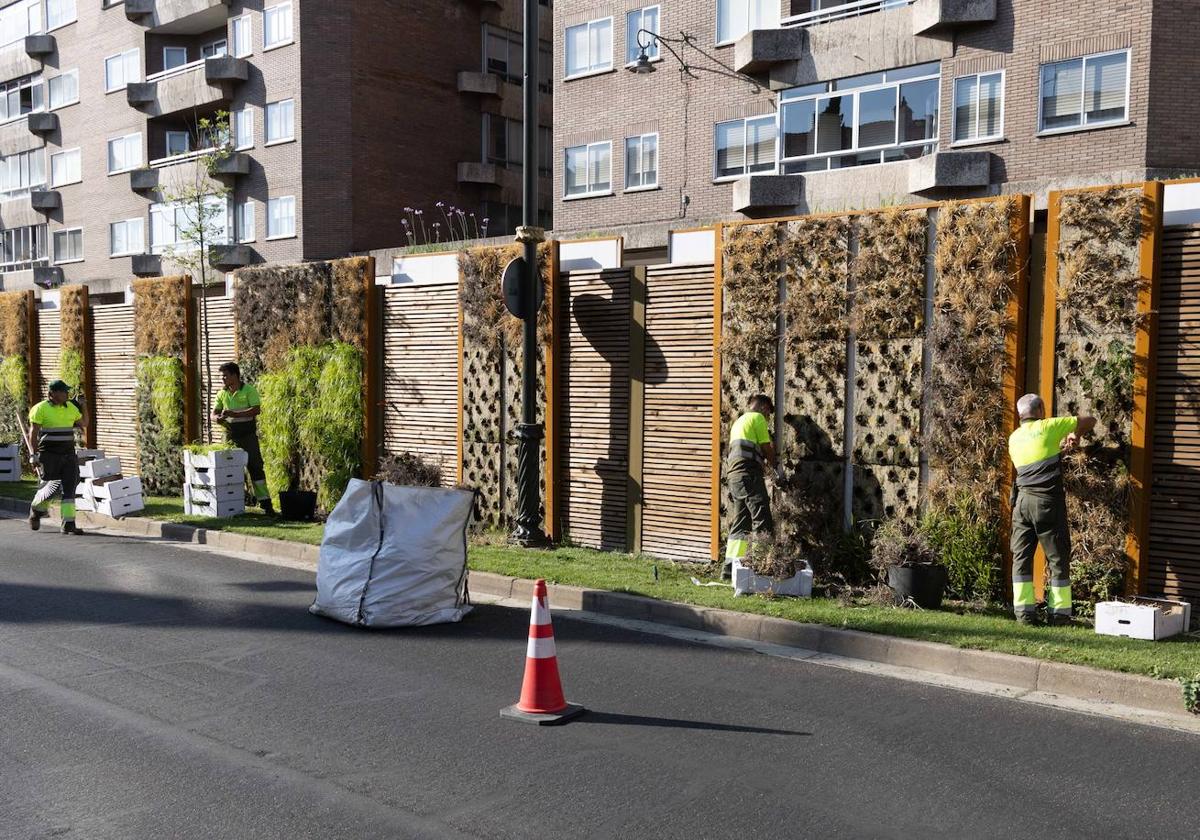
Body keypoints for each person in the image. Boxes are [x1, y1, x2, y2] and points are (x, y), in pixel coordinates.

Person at [1007, 393, 1096, 626]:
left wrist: (1061, 451)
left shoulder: (1014, 438)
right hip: (1046, 503)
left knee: (1022, 558)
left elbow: (1037, 463)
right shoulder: (1050, 426)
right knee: (1057, 558)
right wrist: (1074, 435)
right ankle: (1058, 615)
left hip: (1021, 504)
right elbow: (1090, 420)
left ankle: (1024, 615)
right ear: (1040, 411)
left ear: (1020, 415)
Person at [723, 394, 777, 579]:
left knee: (742, 521)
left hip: (735, 476)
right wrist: (774, 465)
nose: (769, 418)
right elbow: (766, 447)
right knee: (762, 517)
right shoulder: (758, 418)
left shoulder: (739, 421)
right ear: (763, 408)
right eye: (769, 413)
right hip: (748, 475)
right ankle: (761, 566)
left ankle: (730, 569)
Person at [213, 362, 274, 515]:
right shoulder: (222, 393)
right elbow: (214, 413)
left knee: (255, 467)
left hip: (248, 437)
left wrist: (235, 414)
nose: (223, 379)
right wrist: (217, 419)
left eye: (225, 375)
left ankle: (266, 504)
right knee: (231, 469)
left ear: (235, 375)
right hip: (230, 437)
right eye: (222, 376)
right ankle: (235, 504)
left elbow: (256, 410)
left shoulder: (249, 390)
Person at [28, 380, 88, 535]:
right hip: (49, 455)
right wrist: (33, 455)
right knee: (51, 487)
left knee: (70, 487)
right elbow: (33, 433)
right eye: (63, 391)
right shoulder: (40, 408)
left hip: (68, 455)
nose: (66, 394)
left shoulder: (71, 408)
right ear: (53, 393)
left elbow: (85, 423)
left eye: (67, 391)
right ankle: (36, 510)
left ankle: (69, 524)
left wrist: (83, 405)